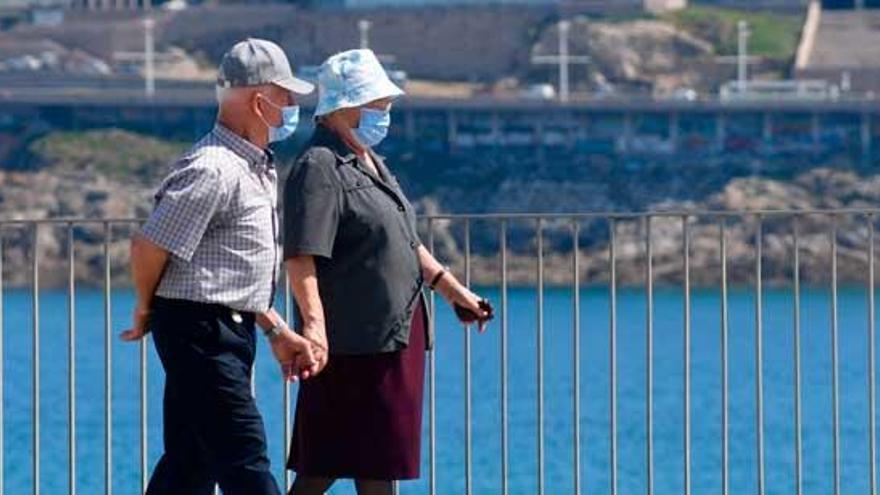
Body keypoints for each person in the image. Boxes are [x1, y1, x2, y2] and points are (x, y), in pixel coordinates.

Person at [283, 48, 493, 495]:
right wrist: (316, 329)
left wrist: (455, 293)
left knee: (376, 459)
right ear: (345, 106)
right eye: (377, 103)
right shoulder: (320, 165)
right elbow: (302, 256)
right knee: (331, 459)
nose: (386, 112)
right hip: (353, 342)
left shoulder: (366, 159)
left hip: (390, 336)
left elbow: (405, 241)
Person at [120, 38, 319, 495]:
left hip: (223, 326)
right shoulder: (215, 168)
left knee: (190, 462)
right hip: (201, 330)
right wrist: (145, 306)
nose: (291, 106)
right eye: (285, 95)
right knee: (245, 458)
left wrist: (272, 328)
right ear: (259, 99)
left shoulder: (252, 165)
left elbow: (227, 270)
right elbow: (150, 246)